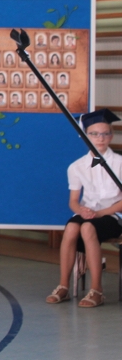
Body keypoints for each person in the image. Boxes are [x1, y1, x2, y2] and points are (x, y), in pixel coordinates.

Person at [46, 109, 122, 308]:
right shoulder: (77, 166)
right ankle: (63, 285)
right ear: (86, 136)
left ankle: (97, 290)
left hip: (113, 215)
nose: (100, 138)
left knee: (88, 228)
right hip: (88, 212)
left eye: (105, 133)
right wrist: (81, 210)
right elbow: (73, 201)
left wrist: (101, 213)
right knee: (72, 227)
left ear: (111, 136)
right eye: (94, 134)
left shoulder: (120, 163)